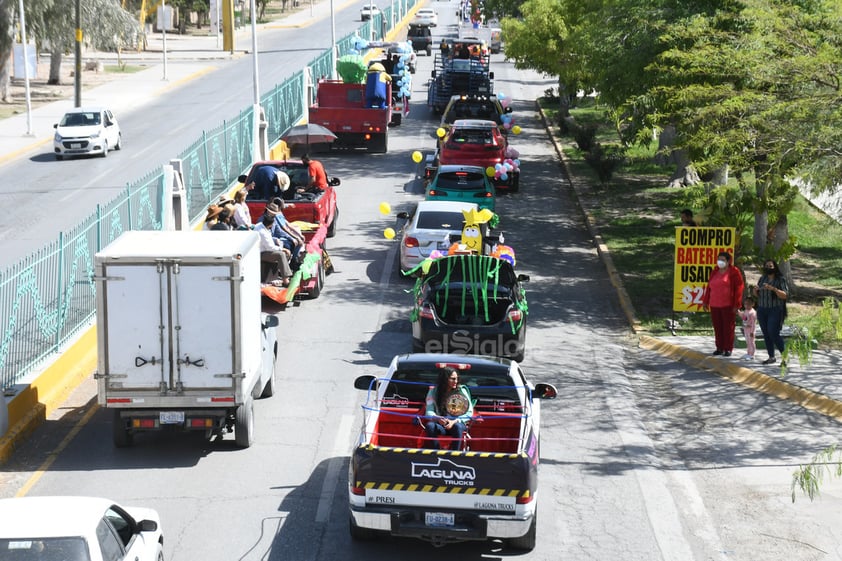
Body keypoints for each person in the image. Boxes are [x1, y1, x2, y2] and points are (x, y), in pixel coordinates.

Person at [702, 251, 744, 357]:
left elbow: (739, 288)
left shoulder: (734, 272)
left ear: (728, 261)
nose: (720, 262)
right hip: (715, 304)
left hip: (728, 305)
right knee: (718, 327)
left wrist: (736, 304)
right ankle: (719, 347)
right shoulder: (715, 271)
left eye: (723, 260)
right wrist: (705, 301)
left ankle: (728, 348)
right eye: (719, 259)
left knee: (728, 327)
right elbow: (709, 287)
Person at [423, 367, 473, 450]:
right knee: (430, 426)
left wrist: (454, 421)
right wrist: (438, 418)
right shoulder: (433, 391)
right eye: (453, 379)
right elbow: (429, 411)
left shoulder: (462, 391)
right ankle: (436, 452)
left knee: (457, 426)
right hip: (442, 424)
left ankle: (454, 454)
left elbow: (469, 413)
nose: (456, 381)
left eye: (457, 379)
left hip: (458, 423)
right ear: (445, 379)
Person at [756, 259, 789, 365]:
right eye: (766, 266)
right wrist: (755, 291)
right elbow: (758, 295)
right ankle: (771, 356)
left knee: (773, 332)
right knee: (766, 333)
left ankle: (785, 357)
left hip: (775, 309)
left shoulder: (780, 279)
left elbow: (785, 295)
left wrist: (773, 289)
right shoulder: (762, 278)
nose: (769, 268)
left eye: (771, 266)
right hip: (762, 309)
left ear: (775, 267)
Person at [253, 212, 293, 286]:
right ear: (270, 224)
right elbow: (270, 247)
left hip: (263, 250)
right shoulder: (262, 232)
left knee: (281, 250)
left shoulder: (260, 226)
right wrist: (283, 249)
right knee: (281, 254)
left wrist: (276, 242)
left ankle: (280, 273)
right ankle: (285, 279)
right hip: (261, 253)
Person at [739, 295, 757, 361]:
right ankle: (748, 353)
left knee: (751, 342)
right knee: (748, 342)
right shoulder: (746, 310)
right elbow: (744, 317)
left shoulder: (753, 313)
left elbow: (753, 323)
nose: (747, 305)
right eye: (745, 304)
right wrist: (739, 313)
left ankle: (752, 355)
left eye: (749, 304)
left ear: (753, 304)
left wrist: (752, 332)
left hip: (750, 330)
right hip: (746, 329)